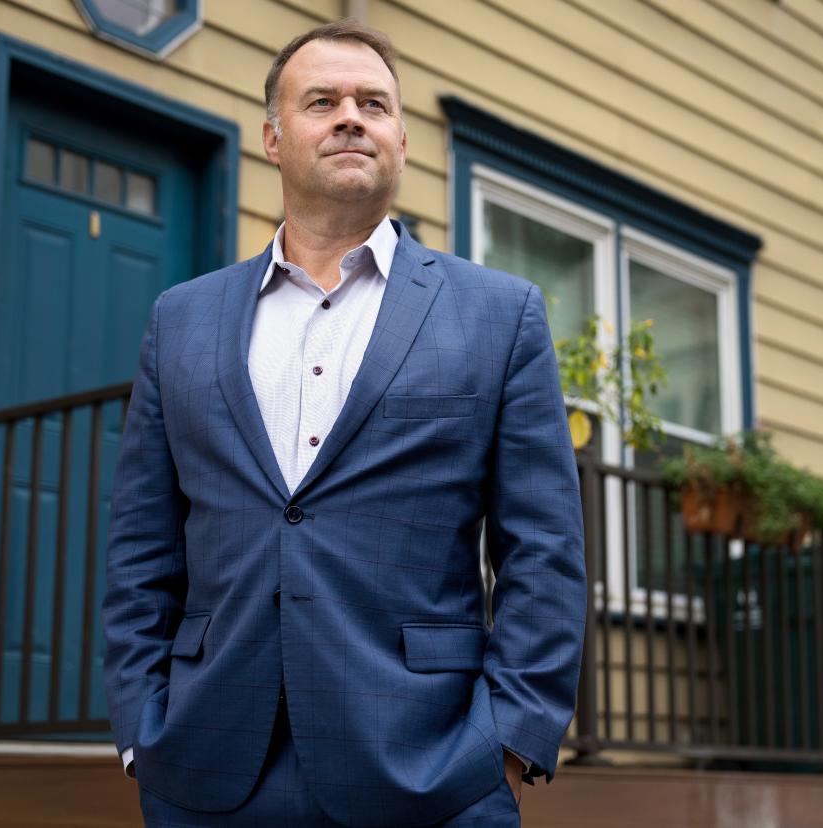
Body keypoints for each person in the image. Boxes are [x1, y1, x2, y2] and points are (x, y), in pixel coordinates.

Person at [101, 19, 586, 828]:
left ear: (400, 138)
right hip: (204, 768)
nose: (350, 117)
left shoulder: (500, 315)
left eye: (373, 103)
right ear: (272, 137)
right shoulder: (179, 319)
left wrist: (507, 740)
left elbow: (545, 549)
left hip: (431, 770)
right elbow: (141, 545)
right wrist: (139, 729)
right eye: (321, 101)